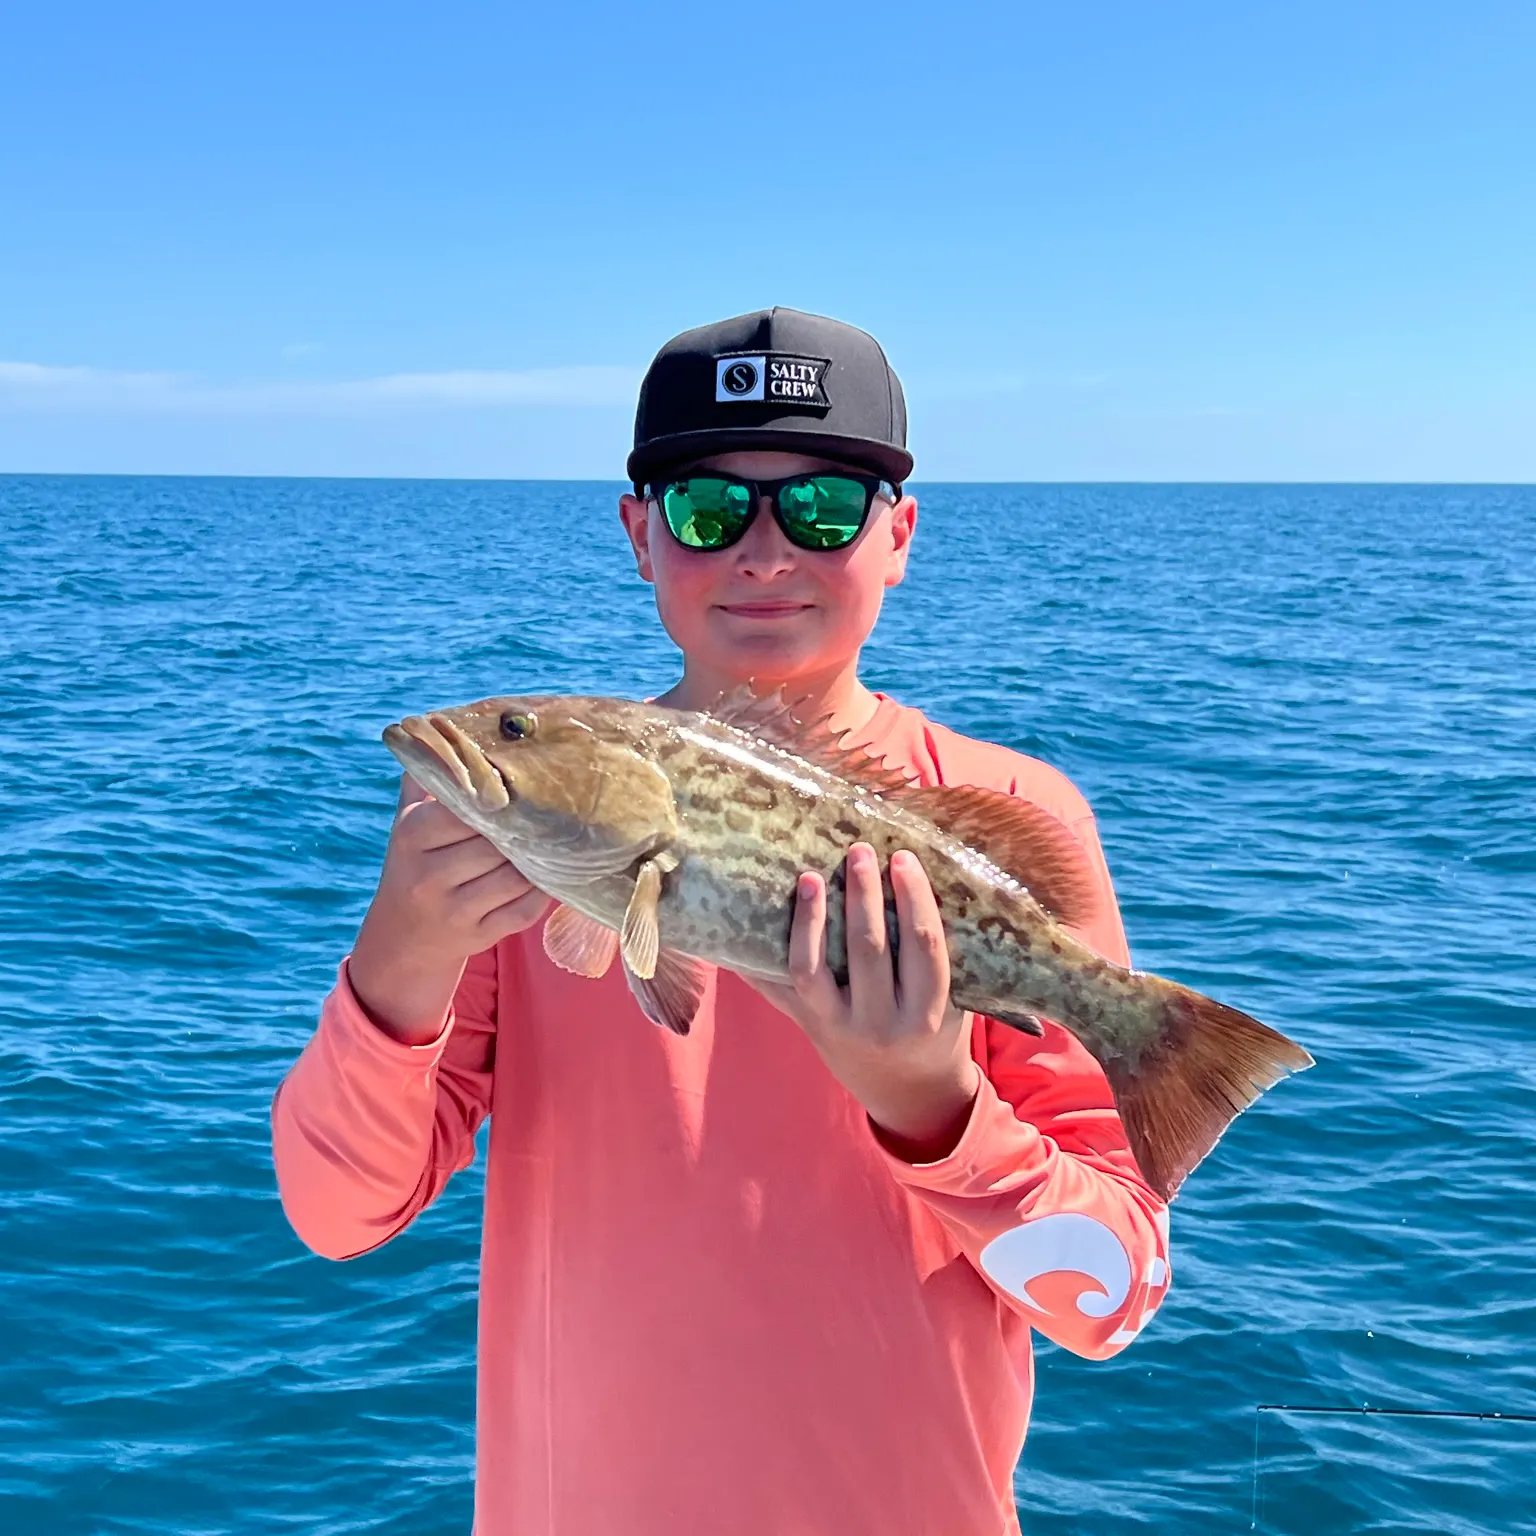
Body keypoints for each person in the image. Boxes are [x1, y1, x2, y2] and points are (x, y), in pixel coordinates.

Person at [271, 308, 1171, 1535]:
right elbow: (337, 1218)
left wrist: (928, 1101)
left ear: (899, 534)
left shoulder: (1016, 815)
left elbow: (1106, 1304)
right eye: (706, 509)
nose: (762, 552)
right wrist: (400, 960)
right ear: (640, 533)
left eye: (821, 509)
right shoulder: (506, 865)